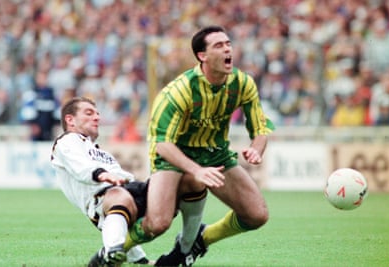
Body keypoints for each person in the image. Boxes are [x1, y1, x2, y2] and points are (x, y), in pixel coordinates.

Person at [124, 25, 275, 266]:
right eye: (219, 45)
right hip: (173, 158)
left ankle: (201, 240)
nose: (227, 49)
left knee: (257, 215)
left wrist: (257, 148)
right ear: (202, 56)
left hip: (216, 156)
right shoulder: (179, 91)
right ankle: (115, 250)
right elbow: (162, 145)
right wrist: (196, 169)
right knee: (157, 224)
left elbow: (261, 129)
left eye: (228, 43)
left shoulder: (243, 83)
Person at [50, 97, 151, 266]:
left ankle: (185, 245)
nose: (97, 117)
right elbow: (81, 167)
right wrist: (101, 174)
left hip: (119, 196)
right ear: (70, 120)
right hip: (100, 201)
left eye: (97, 114)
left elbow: (123, 177)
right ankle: (111, 252)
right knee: (119, 196)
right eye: (89, 113)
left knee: (167, 190)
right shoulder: (66, 141)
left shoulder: (101, 153)